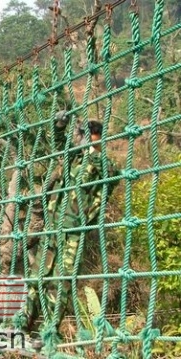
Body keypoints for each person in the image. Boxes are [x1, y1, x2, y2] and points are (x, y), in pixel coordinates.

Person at [19, 111, 120, 340]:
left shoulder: (104, 165)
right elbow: (58, 144)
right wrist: (59, 125)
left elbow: (113, 176)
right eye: (79, 133)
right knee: (37, 278)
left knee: (60, 283)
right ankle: (23, 324)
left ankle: (50, 331)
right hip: (54, 228)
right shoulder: (73, 158)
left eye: (85, 134)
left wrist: (91, 150)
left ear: (96, 137)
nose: (80, 137)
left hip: (73, 233)